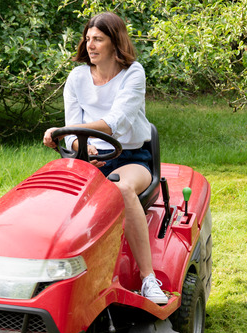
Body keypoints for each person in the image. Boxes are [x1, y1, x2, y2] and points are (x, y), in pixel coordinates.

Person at [42, 12, 168, 304]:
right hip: (90, 158)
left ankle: (149, 279)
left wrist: (65, 131)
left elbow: (117, 122)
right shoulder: (76, 78)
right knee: (55, 194)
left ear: (115, 42)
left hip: (132, 158)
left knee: (120, 189)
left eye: (98, 39)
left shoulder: (133, 73)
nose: (90, 45)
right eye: (87, 39)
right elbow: (72, 130)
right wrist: (78, 146)